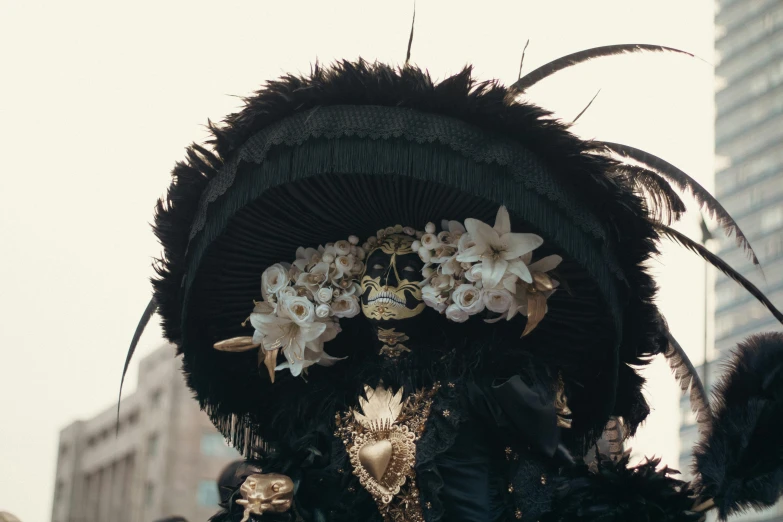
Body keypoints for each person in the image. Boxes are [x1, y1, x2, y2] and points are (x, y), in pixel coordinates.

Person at [125, 48, 783, 521]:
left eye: (403, 266)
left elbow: (546, 475)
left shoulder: (497, 385)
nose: (385, 280)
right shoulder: (318, 405)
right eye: (371, 267)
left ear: (442, 277)